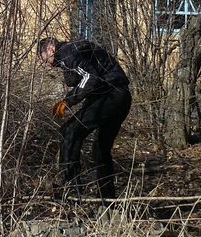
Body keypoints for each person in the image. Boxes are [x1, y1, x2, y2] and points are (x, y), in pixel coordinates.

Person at [37, 37, 131, 200]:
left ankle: (70, 189)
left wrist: (69, 100)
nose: (47, 64)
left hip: (111, 96)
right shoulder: (73, 51)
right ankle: (107, 201)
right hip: (121, 97)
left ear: (51, 49)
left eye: (45, 58)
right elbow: (82, 77)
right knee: (100, 150)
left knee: (69, 131)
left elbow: (91, 78)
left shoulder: (67, 53)